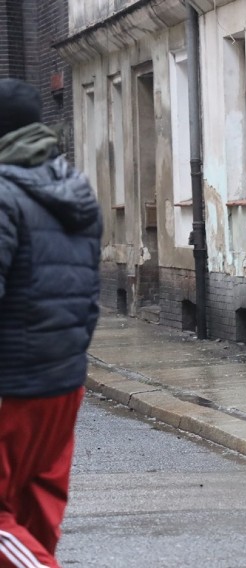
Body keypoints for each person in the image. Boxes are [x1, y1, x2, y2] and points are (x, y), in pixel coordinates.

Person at [0, 78, 102, 567]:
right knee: (37, 502)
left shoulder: (2, 193)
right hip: (62, 375)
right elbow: (90, 291)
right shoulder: (74, 188)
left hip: (13, 381)